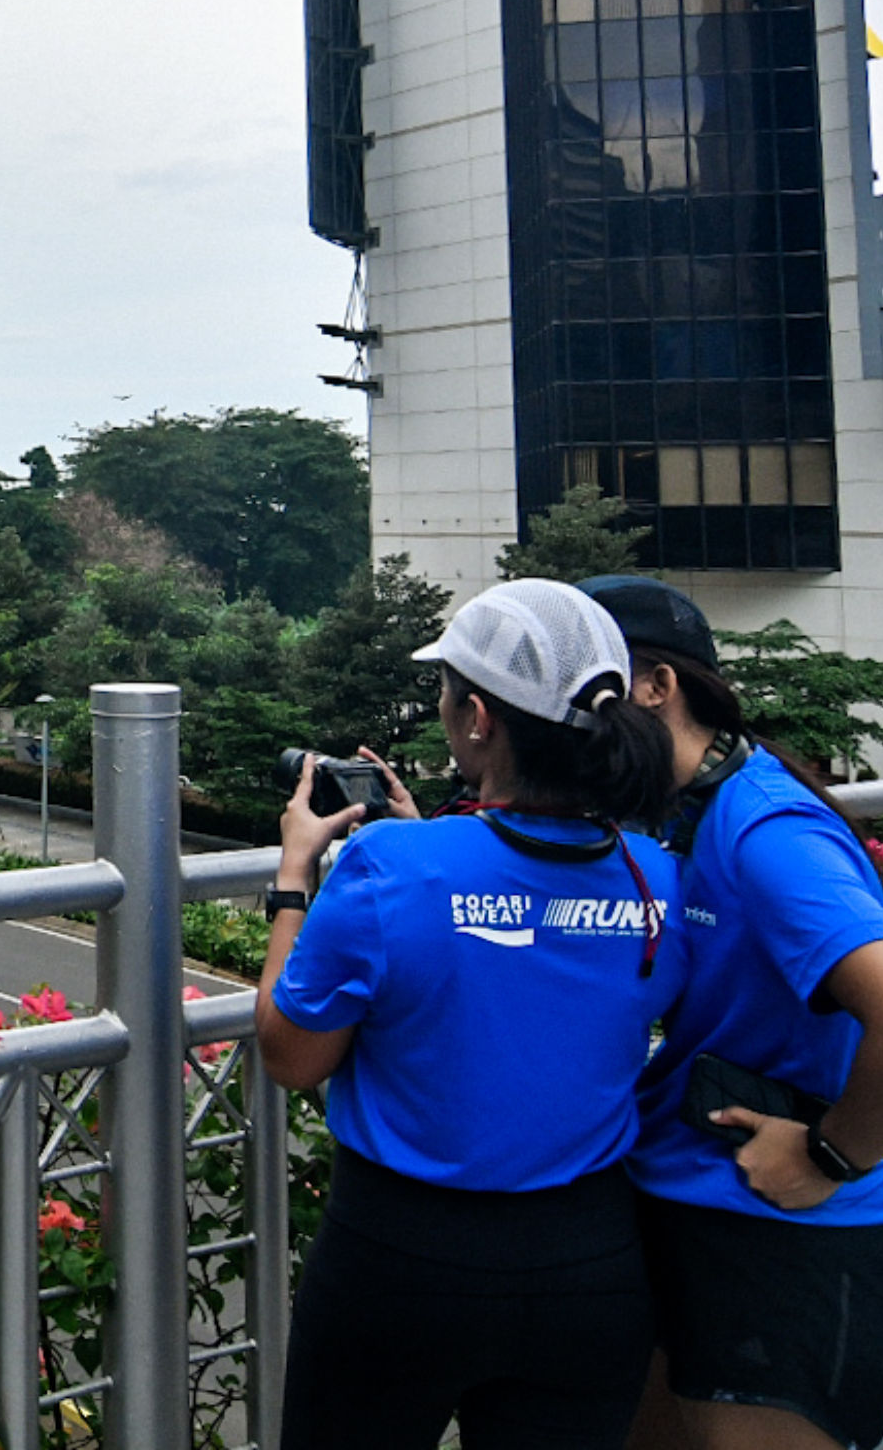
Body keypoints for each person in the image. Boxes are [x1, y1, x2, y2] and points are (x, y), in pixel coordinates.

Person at [259, 579, 686, 1449]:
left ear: (479, 718)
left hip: (401, 1260)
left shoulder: (392, 866)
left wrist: (294, 881)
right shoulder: (658, 876)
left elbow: (292, 1056)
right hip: (590, 1263)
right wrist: (437, 838)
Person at [577, 577, 883, 1450]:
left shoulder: (767, 830)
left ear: (657, 686)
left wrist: (829, 1154)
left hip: (781, 1246)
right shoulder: (682, 812)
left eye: (587, 687)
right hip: (692, 1210)